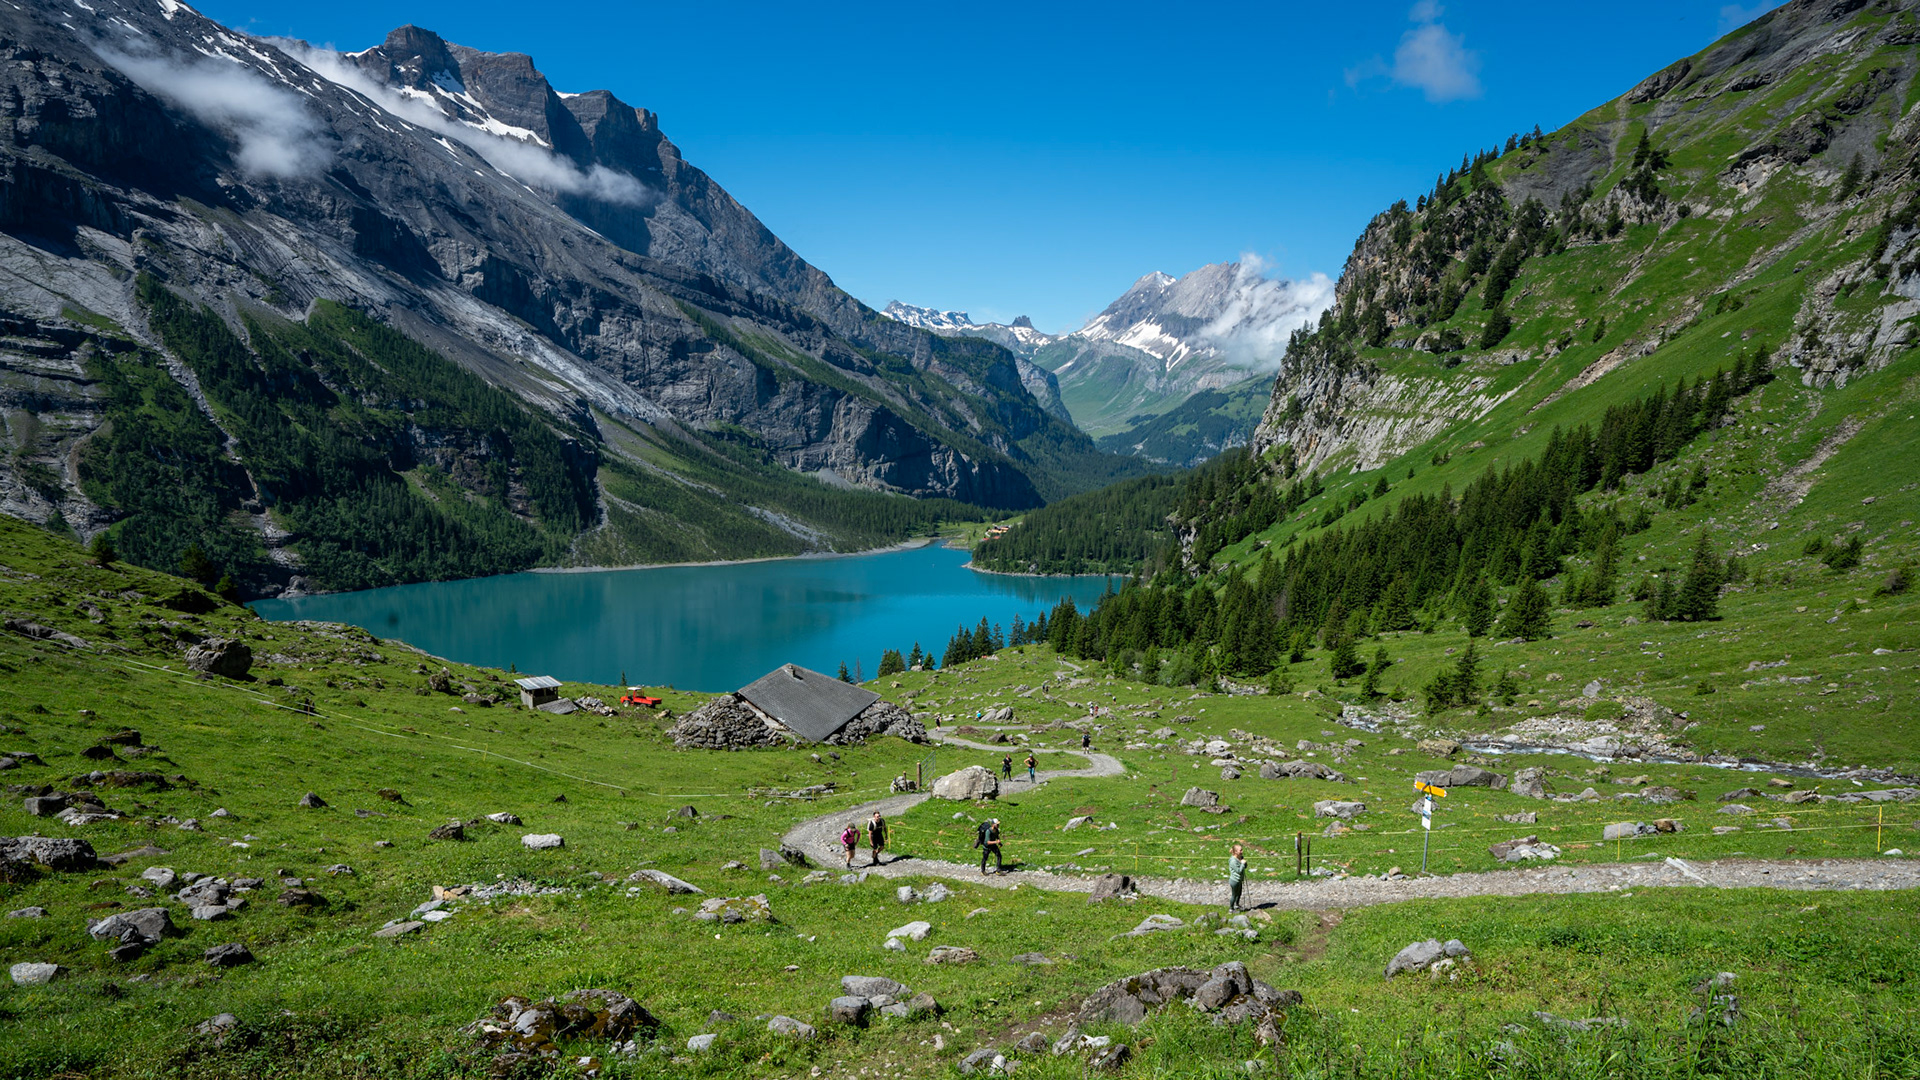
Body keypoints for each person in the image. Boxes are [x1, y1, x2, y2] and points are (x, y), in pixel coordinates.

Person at [1226, 842, 1247, 912]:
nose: (1242, 851)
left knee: (1239, 893)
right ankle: (1231, 909)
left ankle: (1237, 905)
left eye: (1242, 850)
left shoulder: (1239, 859)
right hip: (1234, 880)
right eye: (1240, 850)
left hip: (1239, 880)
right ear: (1235, 852)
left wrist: (1244, 863)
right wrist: (1242, 864)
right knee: (1234, 895)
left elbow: (1244, 867)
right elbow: (1239, 870)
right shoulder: (1233, 861)